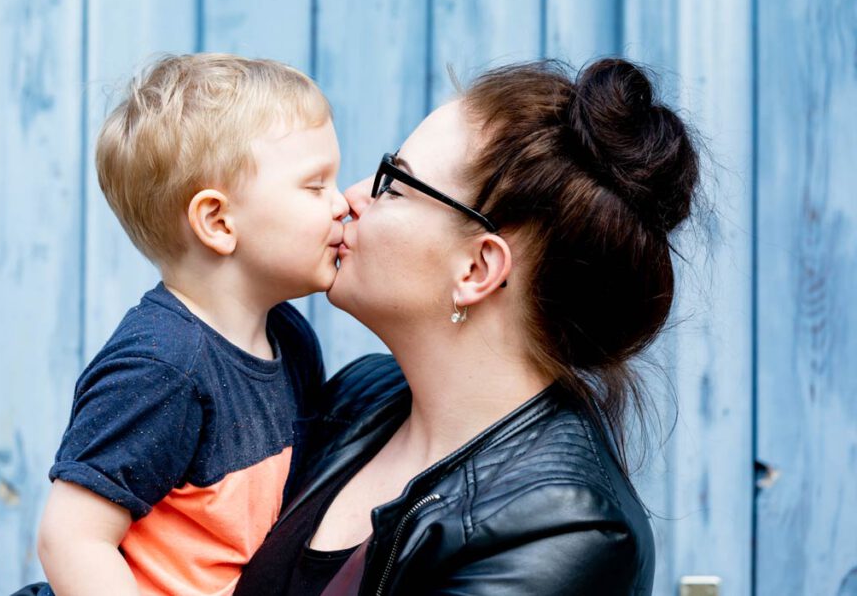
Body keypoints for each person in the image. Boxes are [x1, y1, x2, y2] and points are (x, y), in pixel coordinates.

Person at [234, 58, 700, 595]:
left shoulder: (566, 532)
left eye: (394, 185)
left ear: (477, 269)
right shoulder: (359, 396)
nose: (350, 199)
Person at [22, 53, 349, 596]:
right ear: (217, 221)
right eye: (316, 187)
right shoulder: (161, 368)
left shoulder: (289, 339)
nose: (343, 204)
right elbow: (72, 539)